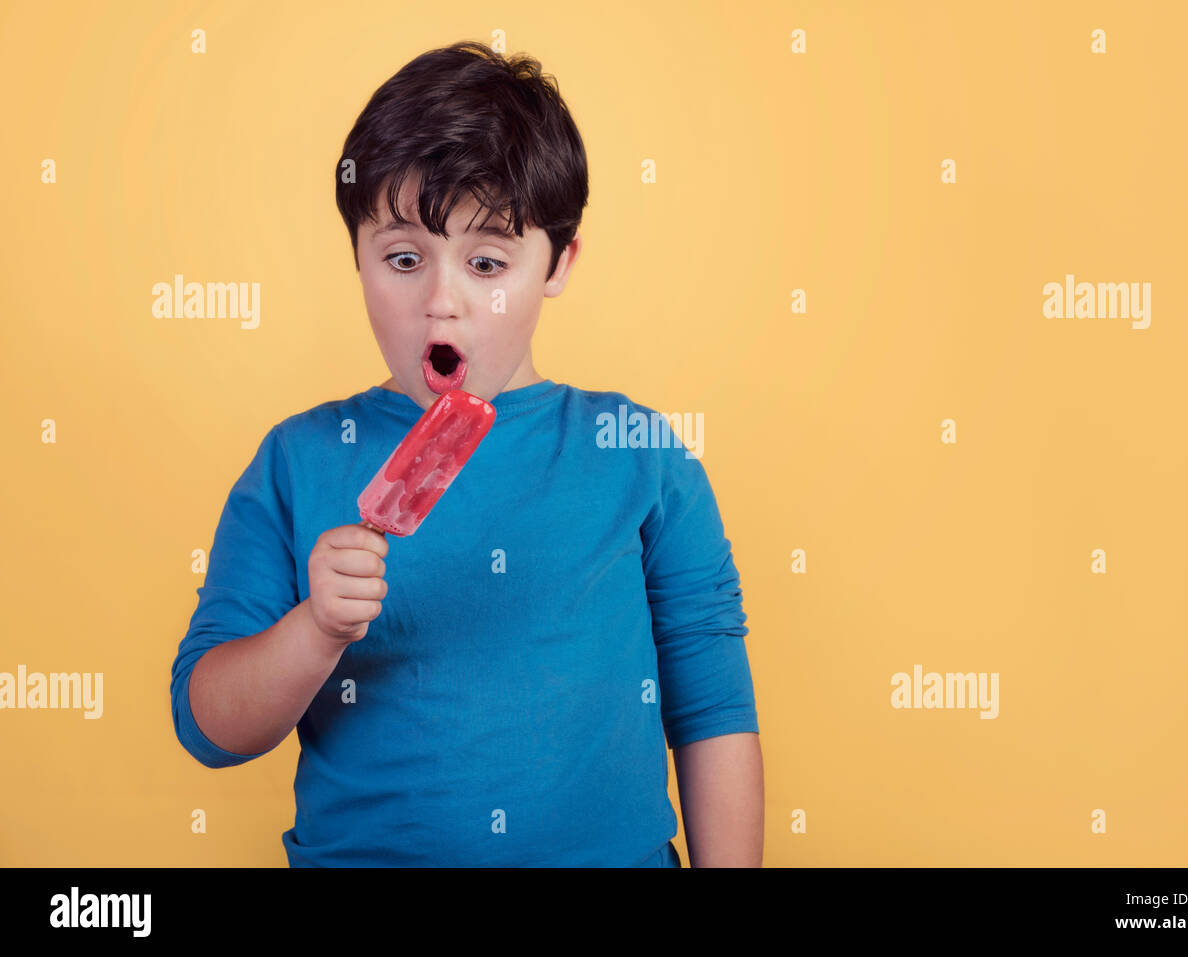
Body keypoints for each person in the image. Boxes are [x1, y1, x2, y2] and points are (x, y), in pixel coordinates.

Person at [169, 40, 762, 867]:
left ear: (558, 262)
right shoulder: (297, 462)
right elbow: (207, 726)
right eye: (404, 258)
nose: (441, 302)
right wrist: (315, 630)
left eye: (486, 262)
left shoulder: (639, 455)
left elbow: (713, 709)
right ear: (358, 258)